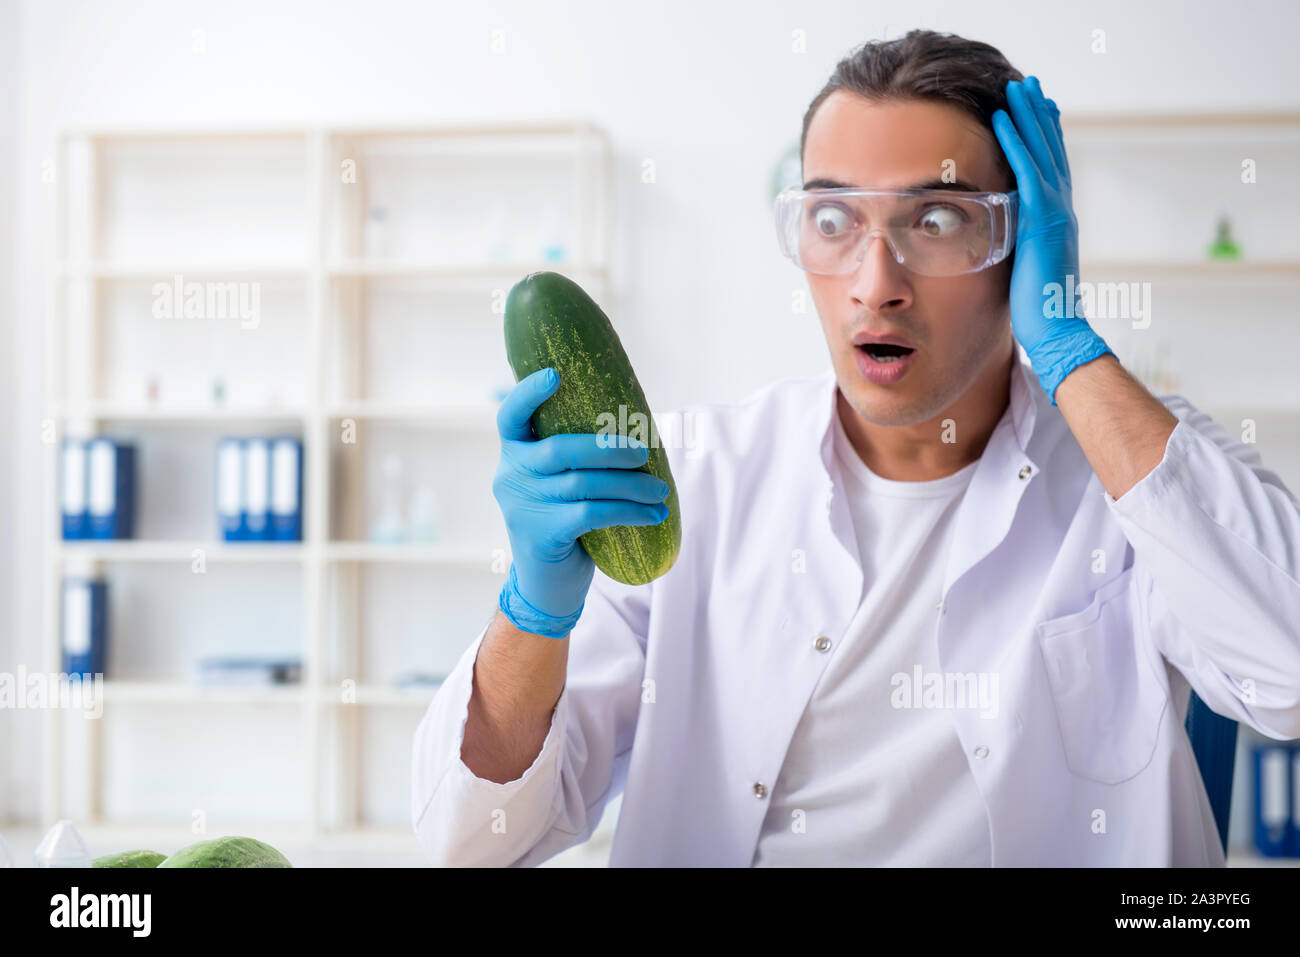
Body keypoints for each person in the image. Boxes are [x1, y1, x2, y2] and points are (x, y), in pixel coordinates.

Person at [411, 29, 1300, 866]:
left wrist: (1068, 347)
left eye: (939, 220)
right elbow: (474, 842)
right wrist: (533, 610)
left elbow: (1286, 671)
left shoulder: (1134, 463)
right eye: (833, 219)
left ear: (1023, 240)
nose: (876, 286)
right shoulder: (688, 475)